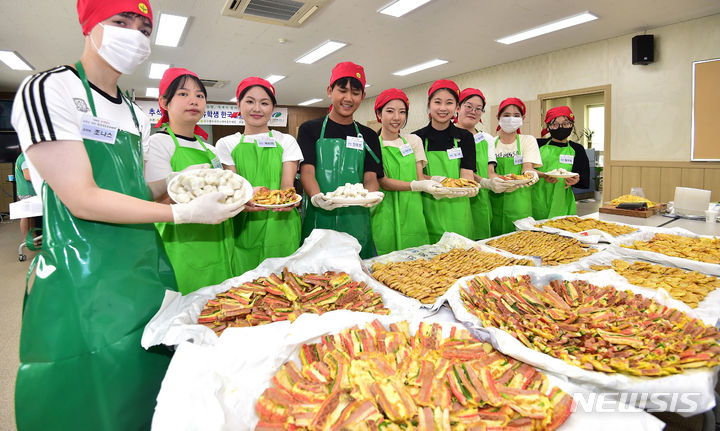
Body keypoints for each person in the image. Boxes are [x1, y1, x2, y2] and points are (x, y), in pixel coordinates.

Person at [10, 1, 243, 429]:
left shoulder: (134, 112)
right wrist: (185, 214)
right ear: (90, 24)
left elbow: (131, 189)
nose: (134, 34)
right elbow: (81, 197)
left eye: (143, 26)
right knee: (89, 398)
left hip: (143, 272)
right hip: (82, 277)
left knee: (146, 392)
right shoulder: (50, 89)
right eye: (120, 22)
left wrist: (177, 180)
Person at [144, 67, 236, 293]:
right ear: (164, 102)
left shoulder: (210, 149)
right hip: (182, 246)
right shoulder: (159, 144)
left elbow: (226, 190)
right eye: (183, 94)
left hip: (220, 244)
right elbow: (157, 203)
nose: (193, 100)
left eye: (200, 96)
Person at [216, 77, 303, 273]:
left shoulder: (286, 141)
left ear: (273, 108)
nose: (257, 108)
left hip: (281, 226)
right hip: (243, 225)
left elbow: (287, 186)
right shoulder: (226, 144)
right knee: (245, 289)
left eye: (264, 103)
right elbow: (234, 188)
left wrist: (288, 200)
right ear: (238, 104)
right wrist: (243, 201)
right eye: (249, 101)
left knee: (284, 286)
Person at [298, 62, 384, 259]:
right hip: (318, 217)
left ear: (362, 96)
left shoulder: (369, 135)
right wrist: (317, 197)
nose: (348, 98)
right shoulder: (309, 129)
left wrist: (371, 196)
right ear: (330, 91)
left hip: (357, 219)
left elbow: (370, 177)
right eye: (342, 90)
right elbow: (307, 172)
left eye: (355, 92)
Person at [371, 88, 440, 255]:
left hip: (412, 209)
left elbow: (419, 176)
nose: (396, 117)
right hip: (384, 211)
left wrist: (439, 180)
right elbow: (383, 181)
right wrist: (418, 185)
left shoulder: (413, 141)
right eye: (390, 111)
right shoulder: (373, 144)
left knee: (416, 262)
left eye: (402, 112)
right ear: (379, 114)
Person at [412, 79, 478, 243]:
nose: (443, 108)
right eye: (437, 102)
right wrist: (438, 180)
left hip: (459, 209)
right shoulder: (416, 138)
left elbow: (467, 175)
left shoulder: (465, 138)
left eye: (449, 103)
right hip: (428, 209)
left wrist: (469, 187)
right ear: (429, 104)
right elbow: (416, 175)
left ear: (456, 107)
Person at [456, 87, 512, 239]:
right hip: (454, 200)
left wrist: (504, 181)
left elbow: (490, 172)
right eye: (468, 106)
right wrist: (485, 182)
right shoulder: (448, 136)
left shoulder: (486, 138)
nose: (473, 111)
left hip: (480, 201)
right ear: (458, 107)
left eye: (478, 109)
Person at [489, 97, 541, 236]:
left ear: (523, 118)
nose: (511, 119)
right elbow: (489, 172)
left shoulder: (527, 140)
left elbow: (527, 168)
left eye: (516, 115)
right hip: (494, 200)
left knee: (521, 242)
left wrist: (531, 174)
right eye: (506, 115)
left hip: (520, 202)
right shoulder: (490, 142)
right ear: (498, 117)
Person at [533, 106, 590, 220]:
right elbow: (525, 169)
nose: (560, 127)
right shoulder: (537, 144)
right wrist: (543, 175)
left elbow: (583, 176)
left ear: (572, 125)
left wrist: (576, 179)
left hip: (563, 200)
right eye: (555, 124)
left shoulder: (577, 149)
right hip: (537, 199)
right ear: (548, 127)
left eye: (565, 123)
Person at [14, 152, 38, 242]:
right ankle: (26, 240)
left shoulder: (21, 157)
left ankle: (33, 237)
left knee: (31, 215)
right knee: (26, 216)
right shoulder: (24, 158)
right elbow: (27, 176)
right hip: (27, 192)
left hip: (25, 191)